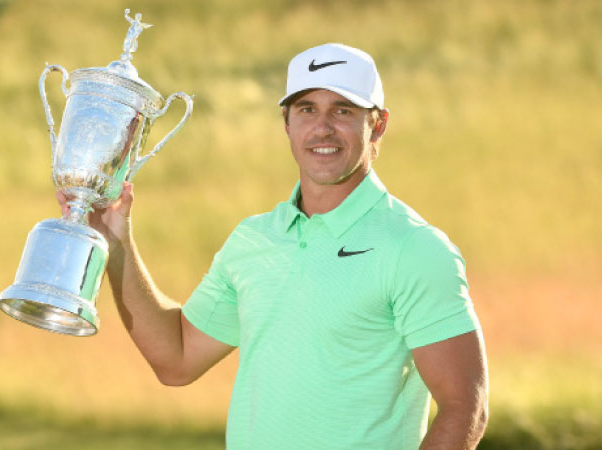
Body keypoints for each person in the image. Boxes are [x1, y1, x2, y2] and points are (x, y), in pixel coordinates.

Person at [58, 43, 489, 450]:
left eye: (343, 110)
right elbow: (177, 359)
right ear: (287, 121)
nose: (323, 128)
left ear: (377, 124)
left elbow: (465, 407)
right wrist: (116, 241)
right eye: (307, 109)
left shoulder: (414, 247)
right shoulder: (253, 239)